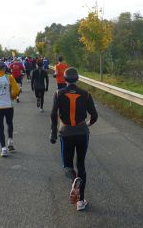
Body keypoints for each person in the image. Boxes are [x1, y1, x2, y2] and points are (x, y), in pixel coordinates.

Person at [50, 67, 98, 211]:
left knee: (67, 166)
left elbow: (53, 114)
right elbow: (94, 115)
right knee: (81, 164)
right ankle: (80, 201)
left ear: (64, 79)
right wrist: (86, 124)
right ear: (77, 79)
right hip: (82, 132)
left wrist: (53, 133)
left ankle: (73, 181)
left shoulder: (58, 93)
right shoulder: (86, 94)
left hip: (66, 133)